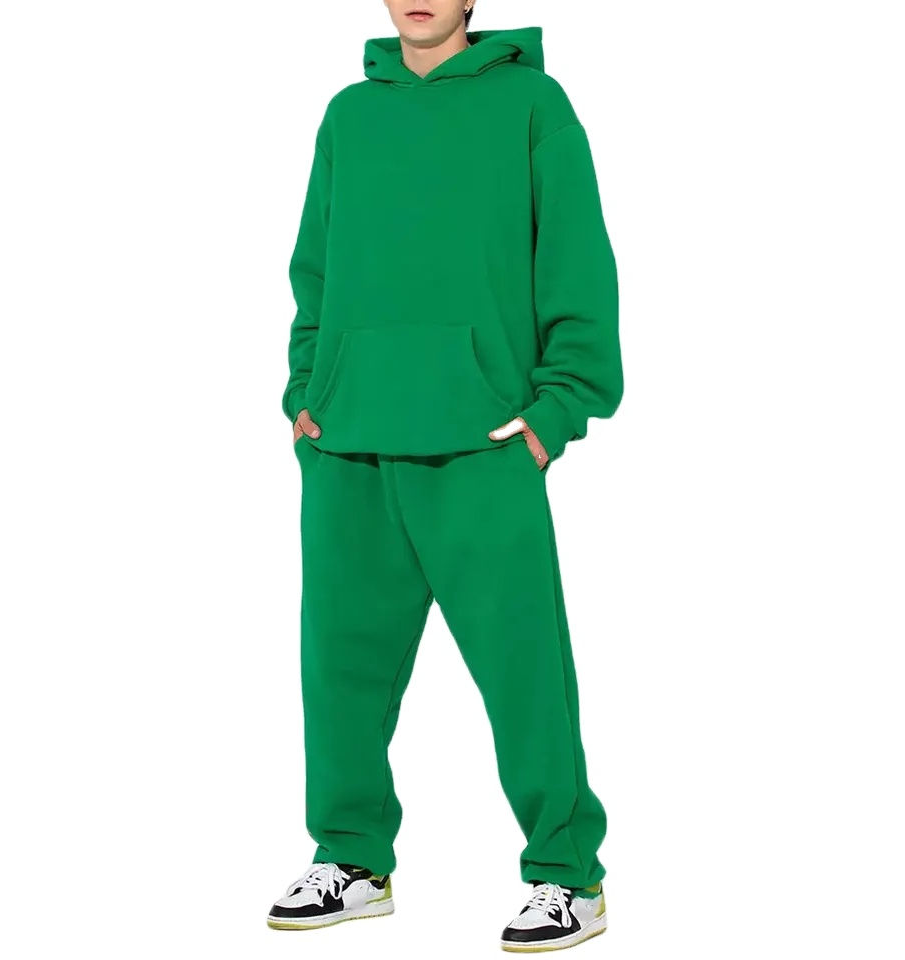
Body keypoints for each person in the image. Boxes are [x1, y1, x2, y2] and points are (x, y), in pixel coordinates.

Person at [270, 1, 623, 952]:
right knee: (338, 673)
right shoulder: (349, 115)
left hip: (485, 442)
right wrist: (306, 391)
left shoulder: (534, 106)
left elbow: (577, 264)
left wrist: (557, 410)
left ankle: (568, 875)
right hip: (348, 441)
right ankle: (351, 859)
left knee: (524, 672)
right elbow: (314, 271)